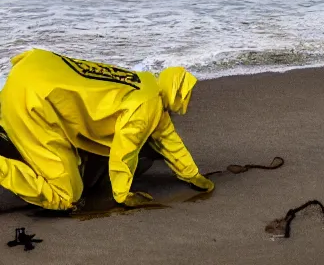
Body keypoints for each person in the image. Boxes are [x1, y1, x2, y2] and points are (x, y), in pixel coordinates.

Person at [0, 49, 214, 211]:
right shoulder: (147, 106)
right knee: (66, 195)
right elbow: (124, 153)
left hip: (33, 68)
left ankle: (9, 132)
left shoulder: (146, 84)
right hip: (34, 102)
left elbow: (169, 141)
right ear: (177, 94)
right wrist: (123, 195)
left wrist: (192, 175)